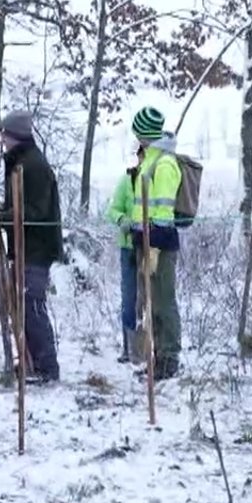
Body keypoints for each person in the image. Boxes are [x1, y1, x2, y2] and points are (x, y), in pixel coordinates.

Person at [0, 110, 62, 384]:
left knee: (32, 304)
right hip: (24, 246)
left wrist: (3, 218)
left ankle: (46, 367)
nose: (1, 140)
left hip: (36, 248)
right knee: (23, 304)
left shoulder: (33, 166)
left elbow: (36, 212)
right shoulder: (21, 162)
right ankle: (31, 361)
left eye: (4, 135)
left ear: (14, 136)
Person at [129, 107, 184, 378]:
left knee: (162, 301)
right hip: (146, 240)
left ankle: (169, 359)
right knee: (151, 303)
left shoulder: (164, 164)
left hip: (159, 243)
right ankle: (157, 357)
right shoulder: (149, 160)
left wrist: (154, 247)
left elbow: (163, 210)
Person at [104, 163, 140, 362]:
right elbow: (113, 209)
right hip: (129, 249)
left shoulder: (157, 178)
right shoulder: (127, 180)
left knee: (151, 298)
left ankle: (148, 347)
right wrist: (121, 219)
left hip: (153, 247)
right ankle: (129, 348)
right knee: (129, 298)